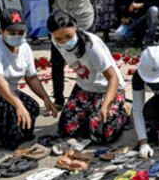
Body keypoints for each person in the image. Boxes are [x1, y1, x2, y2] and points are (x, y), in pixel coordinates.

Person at [0, 8, 58, 148]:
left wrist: (46, 98)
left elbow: (31, 78)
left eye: (21, 33)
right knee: (4, 106)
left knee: (31, 107)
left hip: (7, 90)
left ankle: (19, 135)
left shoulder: (25, 48)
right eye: (12, 33)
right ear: (2, 31)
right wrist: (18, 105)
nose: (17, 36)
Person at [48, 10, 128, 144]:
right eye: (59, 39)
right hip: (85, 87)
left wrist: (105, 106)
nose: (64, 42)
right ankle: (92, 111)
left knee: (102, 133)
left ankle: (124, 111)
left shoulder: (92, 46)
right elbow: (57, 67)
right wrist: (57, 99)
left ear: (75, 26)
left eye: (68, 36)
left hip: (107, 89)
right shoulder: (55, 40)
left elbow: (113, 79)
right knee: (66, 128)